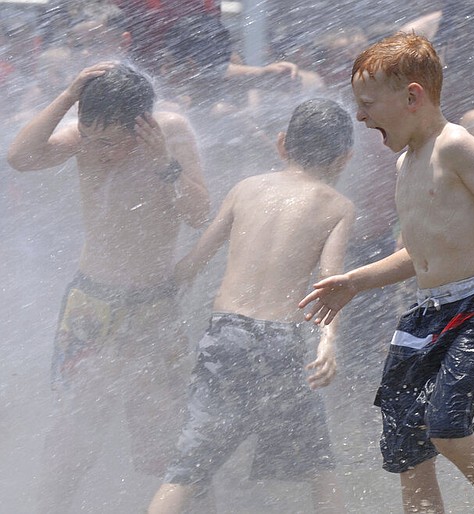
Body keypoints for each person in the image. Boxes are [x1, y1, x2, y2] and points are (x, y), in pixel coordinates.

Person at [299, 32, 474, 514]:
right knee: (405, 439)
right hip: (426, 315)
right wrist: (355, 281)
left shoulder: (457, 146)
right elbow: (418, 254)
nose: (360, 117)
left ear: (412, 97)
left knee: (445, 425)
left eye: (367, 104)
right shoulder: (406, 161)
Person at [6, 61, 210, 512]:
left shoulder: (171, 135)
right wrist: (69, 93)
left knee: (168, 429)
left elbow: (199, 215)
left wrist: (165, 167)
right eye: (91, 138)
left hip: (154, 304)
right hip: (92, 304)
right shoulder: (84, 135)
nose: (98, 151)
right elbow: (20, 158)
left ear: (143, 126)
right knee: (74, 429)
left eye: (111, 142)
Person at [147, 98, 354, 514]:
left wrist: (150, 299)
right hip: (284, 340)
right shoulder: (336, 206)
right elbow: (329, 287)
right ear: (344, 158)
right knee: (319, 467)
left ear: (282, 144)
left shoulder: (246, 189)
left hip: (226, 335)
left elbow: (192, 263)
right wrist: (327, 343)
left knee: (185, 470)